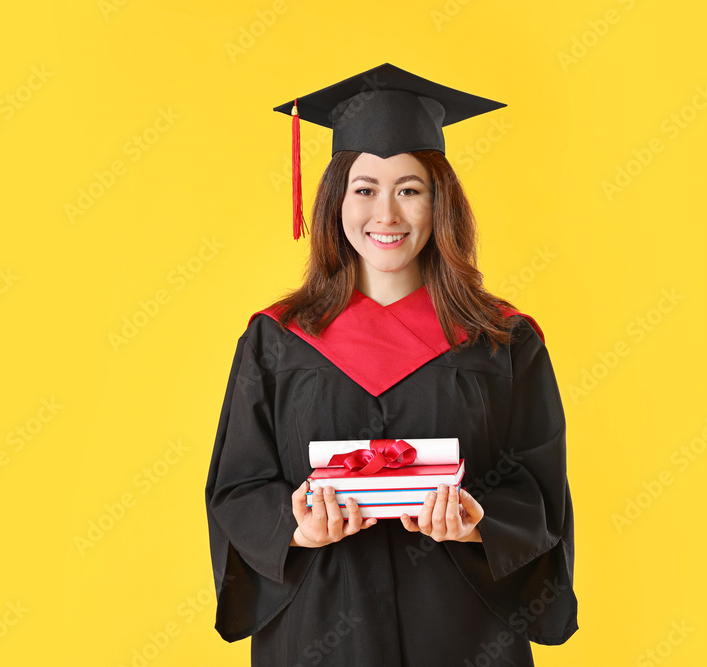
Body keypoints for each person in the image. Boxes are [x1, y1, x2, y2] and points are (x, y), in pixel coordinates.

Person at [205, 63, 577, 667]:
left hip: (462, 631)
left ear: (440, 203)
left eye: (409, 189)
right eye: (364, 188)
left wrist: (479, 520)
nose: (387, 214)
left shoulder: (503, 340)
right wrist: (295, 528)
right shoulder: (276, 340)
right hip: (319, 632)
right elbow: (236, 486)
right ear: (335, 201)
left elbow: (540, 487)